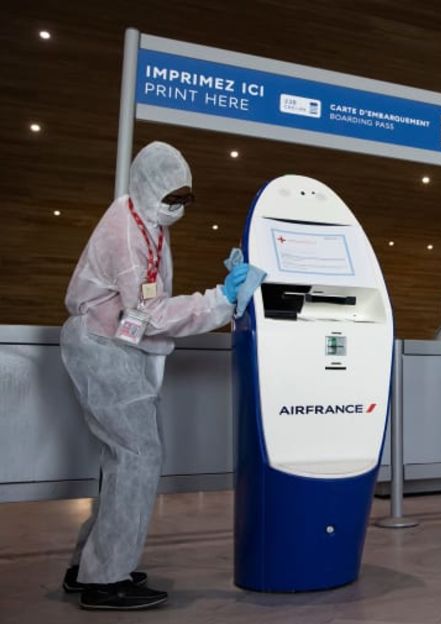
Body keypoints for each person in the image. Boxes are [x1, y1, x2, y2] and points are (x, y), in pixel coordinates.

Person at [59, 142, 249, 610]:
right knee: (139, 455)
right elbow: (151, 314)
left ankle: (89, 567)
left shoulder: (145, 219)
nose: (179, 208)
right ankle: (106, 580)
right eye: (172, 198)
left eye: (186, 199)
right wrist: (219, 299)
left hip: (112, 345)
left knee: (122, 460)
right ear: (147, 187)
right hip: (102, 347)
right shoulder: (126, 235)